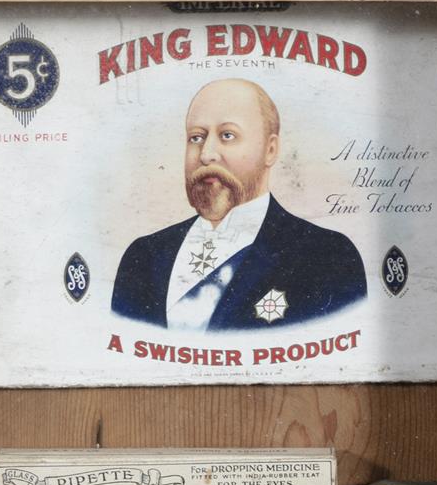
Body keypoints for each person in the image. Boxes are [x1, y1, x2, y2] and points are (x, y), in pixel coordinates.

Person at [110, 78, 367, 331]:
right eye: (196, 138)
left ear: (270, 150)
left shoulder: (328, 257)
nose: (206, 154)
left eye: (227, 135)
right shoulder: (144, 256)